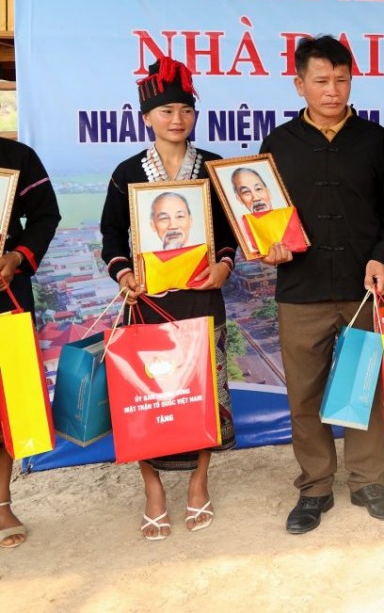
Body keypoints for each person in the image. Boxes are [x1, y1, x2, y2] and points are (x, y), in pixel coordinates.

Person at [260, 35, 384, 535]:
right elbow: (262, 215)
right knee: (305, 394)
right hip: (299, 289)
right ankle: (316, 486)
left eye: (341, 79)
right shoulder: (278, 143)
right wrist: (268, 244)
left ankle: (368, 480)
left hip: (364, 285)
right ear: (299, 84)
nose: (332, 90)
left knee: (363, 386)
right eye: (320, 81)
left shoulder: (375, 138)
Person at [99, 56, 237, 540]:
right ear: (146, 117)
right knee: (147, 397)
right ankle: (153, 488)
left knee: (202, 395)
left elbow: (229, 230)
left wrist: (223, 265)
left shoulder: (214, 166)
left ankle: (199, 482)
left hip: (201, 298)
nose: (176, 119)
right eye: (166, 111)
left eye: (185, 109)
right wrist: (123, 277)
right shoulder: (128, 172)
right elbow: (111, 235)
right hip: (148, 302)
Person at [0, 139, 61, 549]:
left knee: (4, 400)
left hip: (4, 290)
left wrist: (18, 256)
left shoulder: (15, 157)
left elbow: (45, 215)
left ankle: (0, 502)